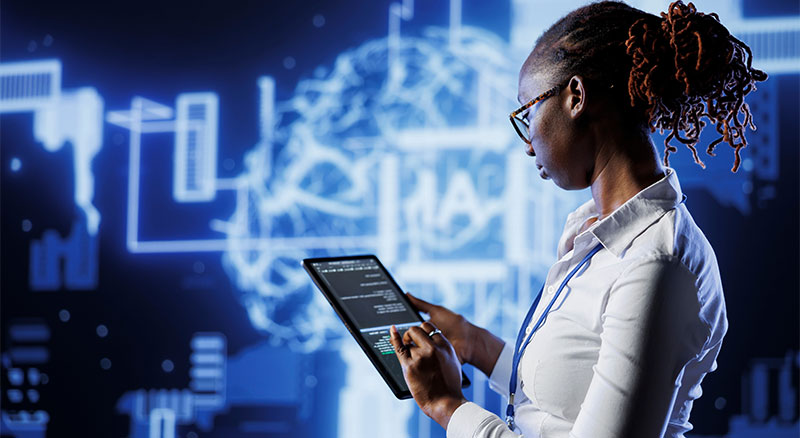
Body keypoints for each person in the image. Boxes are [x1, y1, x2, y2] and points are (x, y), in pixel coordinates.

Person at [387, 1, 767, 437]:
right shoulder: (592, 231)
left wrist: (446, 406)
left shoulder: (655, 262)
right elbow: (569, 396)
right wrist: (477, 345)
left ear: (576, 97)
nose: (528, 144)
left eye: (527, 113)